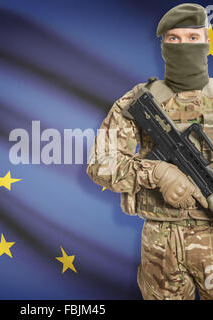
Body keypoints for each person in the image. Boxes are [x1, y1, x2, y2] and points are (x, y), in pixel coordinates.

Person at [87, 3, 213, 300]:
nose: (183, 46)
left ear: (207, 42)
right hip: (160, 246)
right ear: (163, 45)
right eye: (174, 39)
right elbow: (100, 163)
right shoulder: (140, 100)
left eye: (193, 38)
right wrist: (155, 172)